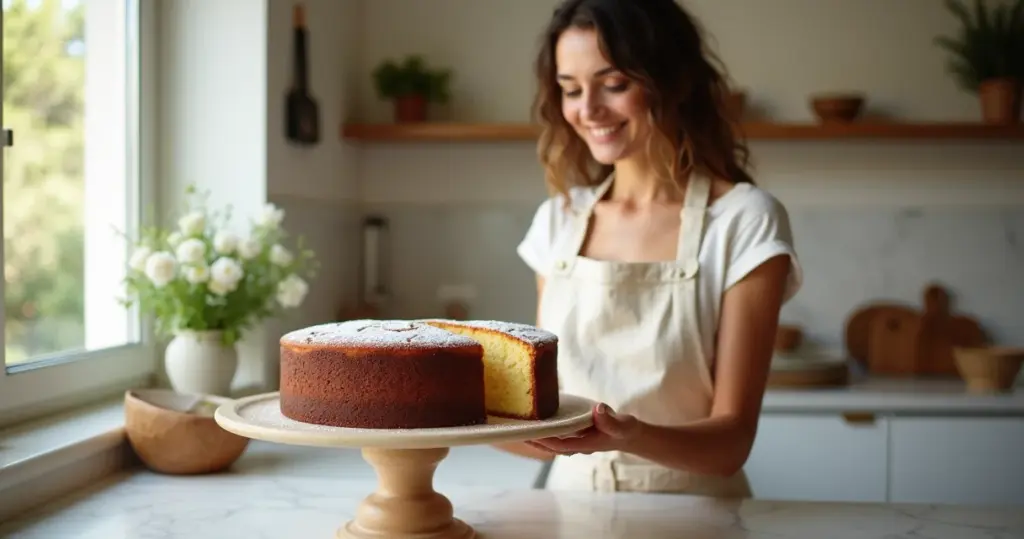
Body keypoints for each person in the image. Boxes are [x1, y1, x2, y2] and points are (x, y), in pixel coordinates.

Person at [494, 0, 803, 497]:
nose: (588, 109)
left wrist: (629, 436)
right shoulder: (560, 221)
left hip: (696, 513)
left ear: (671, 81)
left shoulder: (744, 220)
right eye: (570, 89)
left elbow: (730, 445)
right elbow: (540, 420)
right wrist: (455, 417)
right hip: (567, 507)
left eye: (613, 84)